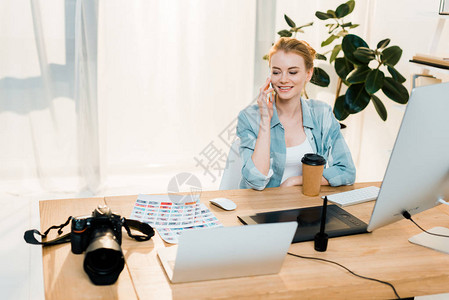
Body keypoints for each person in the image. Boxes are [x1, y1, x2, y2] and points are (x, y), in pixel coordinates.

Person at [236, 37, 356, 191]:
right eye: (276, 72)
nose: (283, 79)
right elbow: (255, 180)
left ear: (308, 74)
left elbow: (347, 171)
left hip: (306, 205)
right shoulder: (249, 118)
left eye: (292, 72)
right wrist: (265, 120)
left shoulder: (321, 113)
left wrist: (295, 181)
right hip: (262, 207)